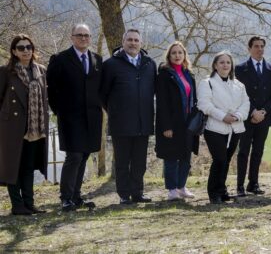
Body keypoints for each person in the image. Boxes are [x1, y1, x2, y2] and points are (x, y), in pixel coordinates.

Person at [47, 24, 102, 212]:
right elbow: (51, 90)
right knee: (74, 156)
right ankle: (66, 198)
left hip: (92, 118)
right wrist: (60, 111)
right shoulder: (60, 59)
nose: (84, 38)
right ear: (72, 37)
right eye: (80, 35)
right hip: (70, 118)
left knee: (84, 155)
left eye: (87, 35)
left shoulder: (97, 59)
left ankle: (77, 196)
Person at [101, 29, 157, 205]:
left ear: (141, 43)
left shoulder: (149, 64)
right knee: (123, 161)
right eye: (130, 40)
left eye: (136, 40)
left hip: (143, 122)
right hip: (121, 123)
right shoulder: (111, 64)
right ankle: (124, 194)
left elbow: (153, 90)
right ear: (123, 42)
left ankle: (137, 192)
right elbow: (103, 94)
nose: (133, 43)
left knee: (140, 161)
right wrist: (116, 110)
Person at [0, 35, 48, 215]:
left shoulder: (41, 71)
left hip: (34, 128)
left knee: (28, 166)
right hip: (12, 127)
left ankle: (29, 204)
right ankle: (17, 205)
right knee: (14, 166)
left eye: (29, 47)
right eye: (21, 48)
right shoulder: (6, 72)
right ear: (14, 51)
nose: (26, 50)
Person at [197, 51, 249, 204]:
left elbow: (246, 103)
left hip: (235, 128)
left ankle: (222, 190)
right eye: (222, 62)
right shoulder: (207, 83)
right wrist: (222, 116)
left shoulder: (239, 85)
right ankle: (213, 193)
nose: (225, 65)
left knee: (226, 160)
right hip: (215, 128)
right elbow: (204, 104)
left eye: (228, 62)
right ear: (215, 65)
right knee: (219, 159)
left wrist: (237, 116)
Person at [234, 36, 271, 196]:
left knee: (258, 151)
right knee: (243, 151)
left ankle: (253, 183)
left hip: (264, 117)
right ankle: (239, 185)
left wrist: (264, 111)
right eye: (256, 46)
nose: (259, 49)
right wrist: (252, 111)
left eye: (262, 46)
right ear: (249, 48)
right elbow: (238, 94)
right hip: (246, 116)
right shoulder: (240, 69)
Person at [155, 42, 199, 201]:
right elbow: (162, 103)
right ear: (169, 56)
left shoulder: (189, 75)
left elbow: (194, 99)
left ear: (184, 55)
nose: (177, 55)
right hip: (172, 123)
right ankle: (172, 189)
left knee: (186, 156)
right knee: (172, 157)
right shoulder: (164, 75)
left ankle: (182, 187)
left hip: (188, 123)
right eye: (174, 53)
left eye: (180, 52)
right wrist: (166, 126)